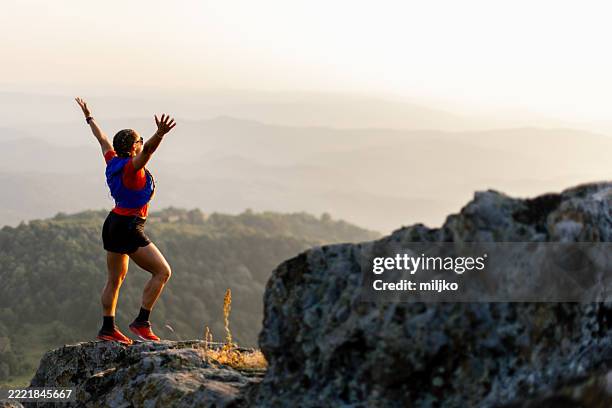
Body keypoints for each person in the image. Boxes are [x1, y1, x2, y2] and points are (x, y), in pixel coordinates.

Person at [75, 97, 177, 345]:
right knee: (162, 272)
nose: (142, 145)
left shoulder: (113, 160)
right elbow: (149, 151)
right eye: (139, 142)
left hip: (112, 224)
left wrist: (90, 117)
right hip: (129, 227)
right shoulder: (132, 169)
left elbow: (102, 140)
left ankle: (107, 329)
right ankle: (142, 323)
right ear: (133, 149)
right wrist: (159, 134)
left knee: (115, 279)